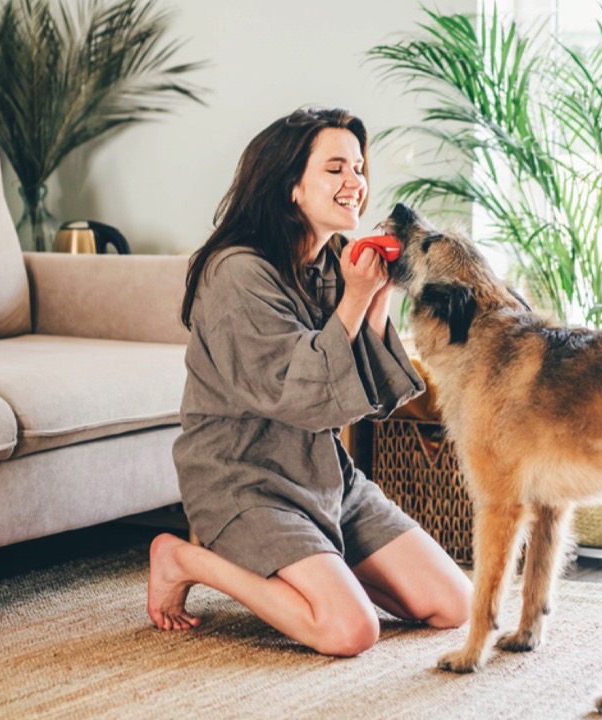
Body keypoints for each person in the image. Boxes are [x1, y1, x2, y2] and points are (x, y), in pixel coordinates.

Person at [147, 107, 472, 657]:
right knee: (349, 631)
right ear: (290, 185)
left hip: (325, 475)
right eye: (336, 168)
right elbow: (298, 392)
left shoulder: (335, 261)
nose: (356, 183)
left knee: (453, 604)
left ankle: (318, 560)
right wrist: (353, 297)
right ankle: (185, 559)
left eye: (360, 168)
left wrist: (378, 292)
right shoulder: (236, 273)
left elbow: (364, 387)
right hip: (243, 477)